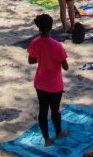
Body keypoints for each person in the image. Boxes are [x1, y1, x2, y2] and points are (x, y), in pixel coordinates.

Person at [27, 13, 70, 147]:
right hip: (55, 84)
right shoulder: (56, 45)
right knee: (55, 110)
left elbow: (31, 60)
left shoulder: (35, 43)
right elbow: (66, 66)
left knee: (43, 110)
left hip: (40, 83)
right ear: (51, 28)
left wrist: (41, 58)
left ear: (39, 28)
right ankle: (58, 132)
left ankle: (46, 138)